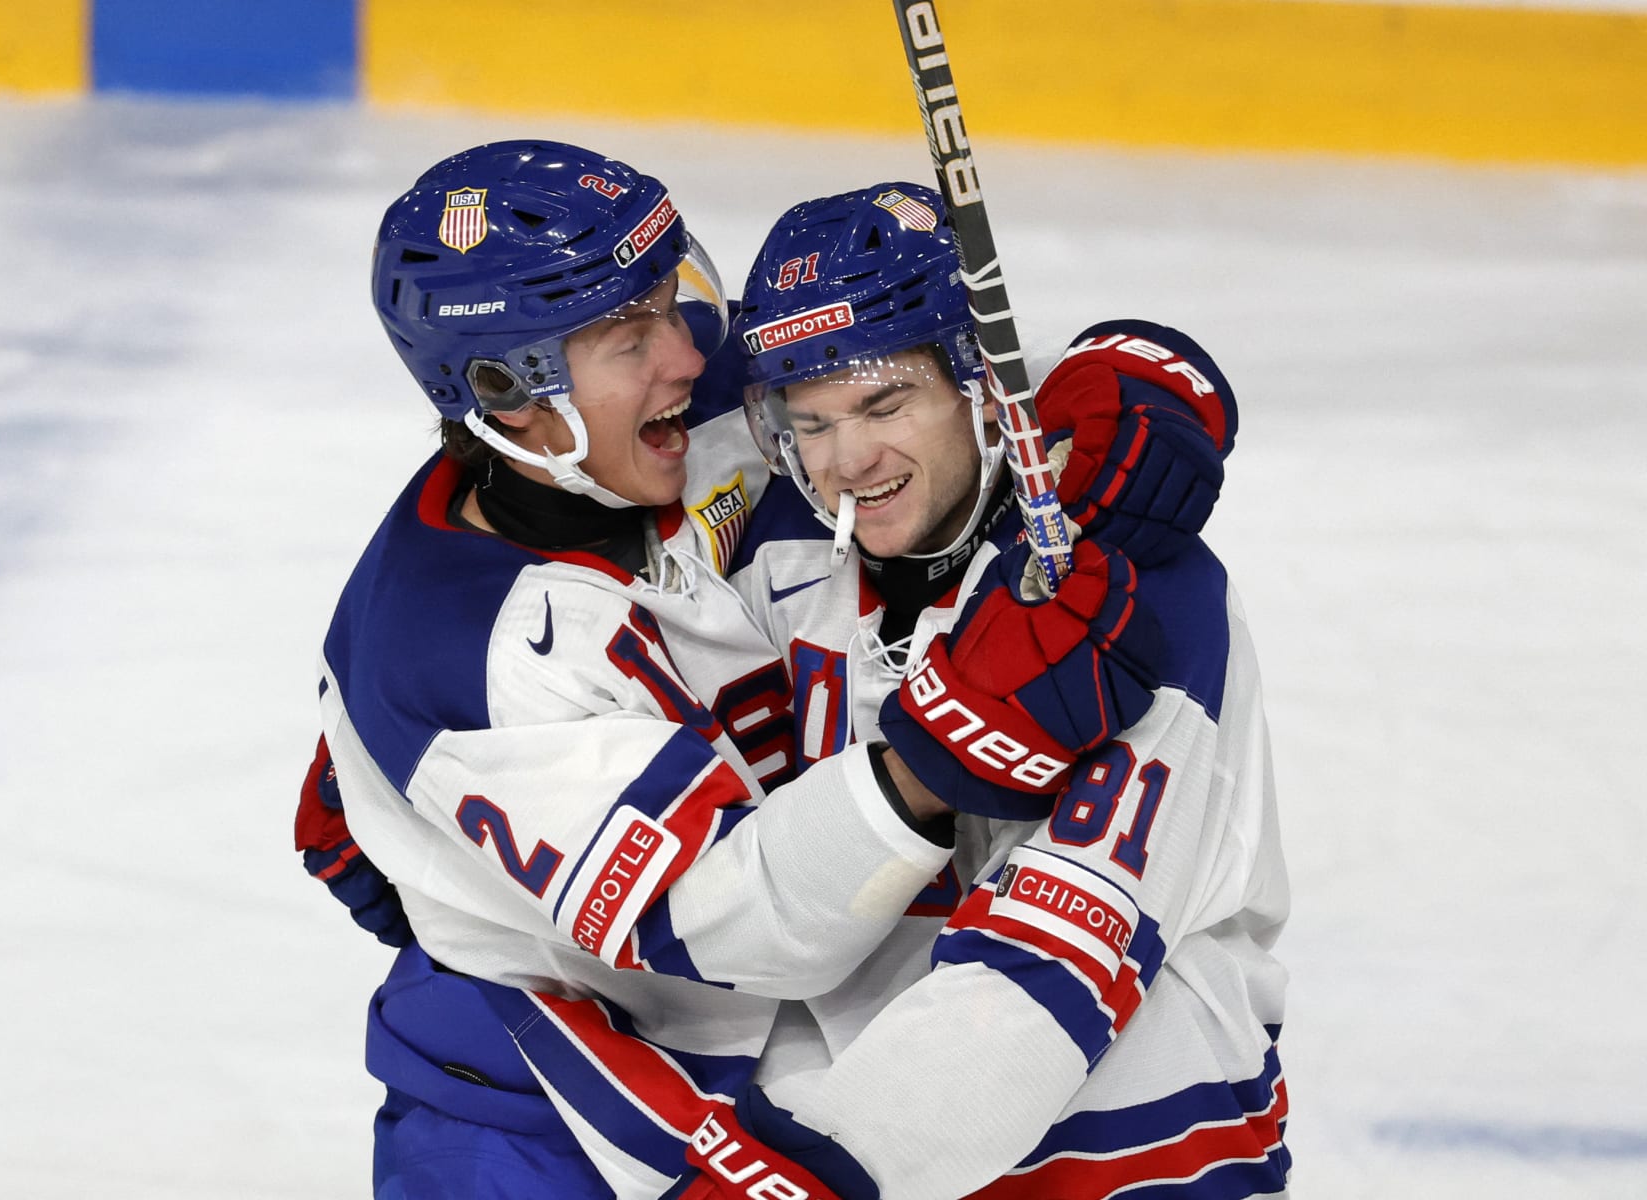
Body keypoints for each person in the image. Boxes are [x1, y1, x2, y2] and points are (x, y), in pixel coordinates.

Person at [306, 144, 1161, 1199]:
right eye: (631, 336)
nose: (691, 354)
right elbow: (744, 927)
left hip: (740, 1075)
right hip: (540, 1125)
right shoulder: (478, 662)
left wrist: (1135, 380)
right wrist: (944, 751)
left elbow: (925, 355)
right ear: (508, 394)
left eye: (674, 297)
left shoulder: (640, 429)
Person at [663, 184, 1291, 1199]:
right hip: (863, 1130)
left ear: (979, 387)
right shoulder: (780, 553)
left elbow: (1048, 968)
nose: (848, 460)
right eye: (809, 422)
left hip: (1135, 1155)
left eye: (884, 404)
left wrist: (806, 1177)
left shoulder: (1139, 593)